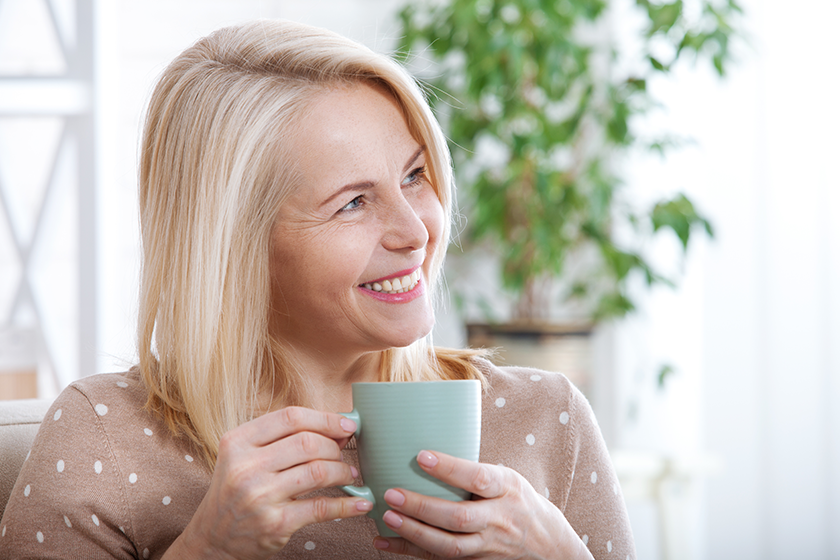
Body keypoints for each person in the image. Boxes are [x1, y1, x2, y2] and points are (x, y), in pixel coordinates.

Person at [0, 20, 635, 560]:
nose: (417, 231)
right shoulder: (106, 440)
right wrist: (207, 549)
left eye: (415, 175)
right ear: (235, 247)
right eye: (354, 203)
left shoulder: (548, 420)